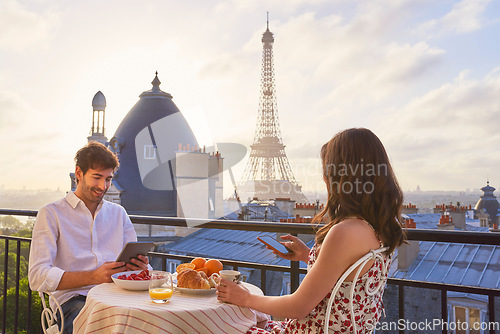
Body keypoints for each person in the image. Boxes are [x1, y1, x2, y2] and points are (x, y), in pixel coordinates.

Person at [216, 128, 406, 333]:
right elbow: (348, 278)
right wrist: (308, 256)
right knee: (252, 318)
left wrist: (245, 297)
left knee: (218, 323)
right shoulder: (380, 227)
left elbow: (298, 308)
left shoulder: (344, 231)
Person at [28, 142, 149, 334]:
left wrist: (141, 267)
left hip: (118, 295)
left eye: (108, 179)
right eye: (97, 177)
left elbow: (140, 266)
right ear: (79, 173)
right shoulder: (51, 214)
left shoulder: (119, 213)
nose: (103, 186)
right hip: (74, 301)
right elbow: (37, 276)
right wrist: (93, 277)